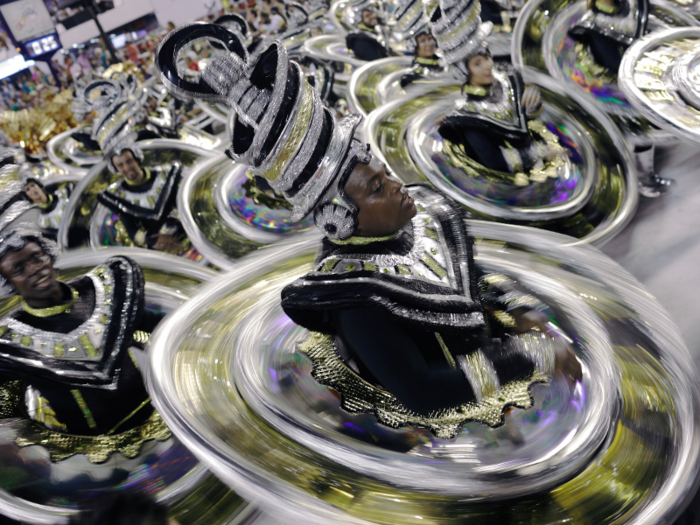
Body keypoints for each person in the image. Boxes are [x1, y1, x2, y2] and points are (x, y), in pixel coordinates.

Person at [157, 26, 581, 431]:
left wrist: (521, 310)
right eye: (378, 187)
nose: (398, 186)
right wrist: (531, 355)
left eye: (384, 174)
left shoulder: (422, 217)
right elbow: (423, 392)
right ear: (339, 215)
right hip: (449, 433)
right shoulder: (354, 299)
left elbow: (469, 276)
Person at [0, 183, 166, 439]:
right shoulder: (10, 342)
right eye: (19, 269)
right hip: (96, 455)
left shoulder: (103, 288)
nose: (34, 269)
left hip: (160, 416)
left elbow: (159, 326)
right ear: (9, 284)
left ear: (49, 256)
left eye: (36, 257)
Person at [433, 1, 566, 183]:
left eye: (487, 56)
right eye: (477, 63)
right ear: (464, 71)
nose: (488, 65)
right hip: (508, 190)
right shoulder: (467, 119)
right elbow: (495, 163)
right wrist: (540, 152)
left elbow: (525, 126)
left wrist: (532, 106)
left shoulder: (508, 78)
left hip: (543, 172)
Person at [97, 143, 184, 254]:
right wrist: (153, 240)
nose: (127, 167)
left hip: (183, 232)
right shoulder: (118, 196)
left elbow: (182, 204)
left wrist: (170, 230)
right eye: (120, 165)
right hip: (158, 248)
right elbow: (132, 230)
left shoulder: (166, 176)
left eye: (129, 161)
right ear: (116, 169)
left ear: (137, 159)